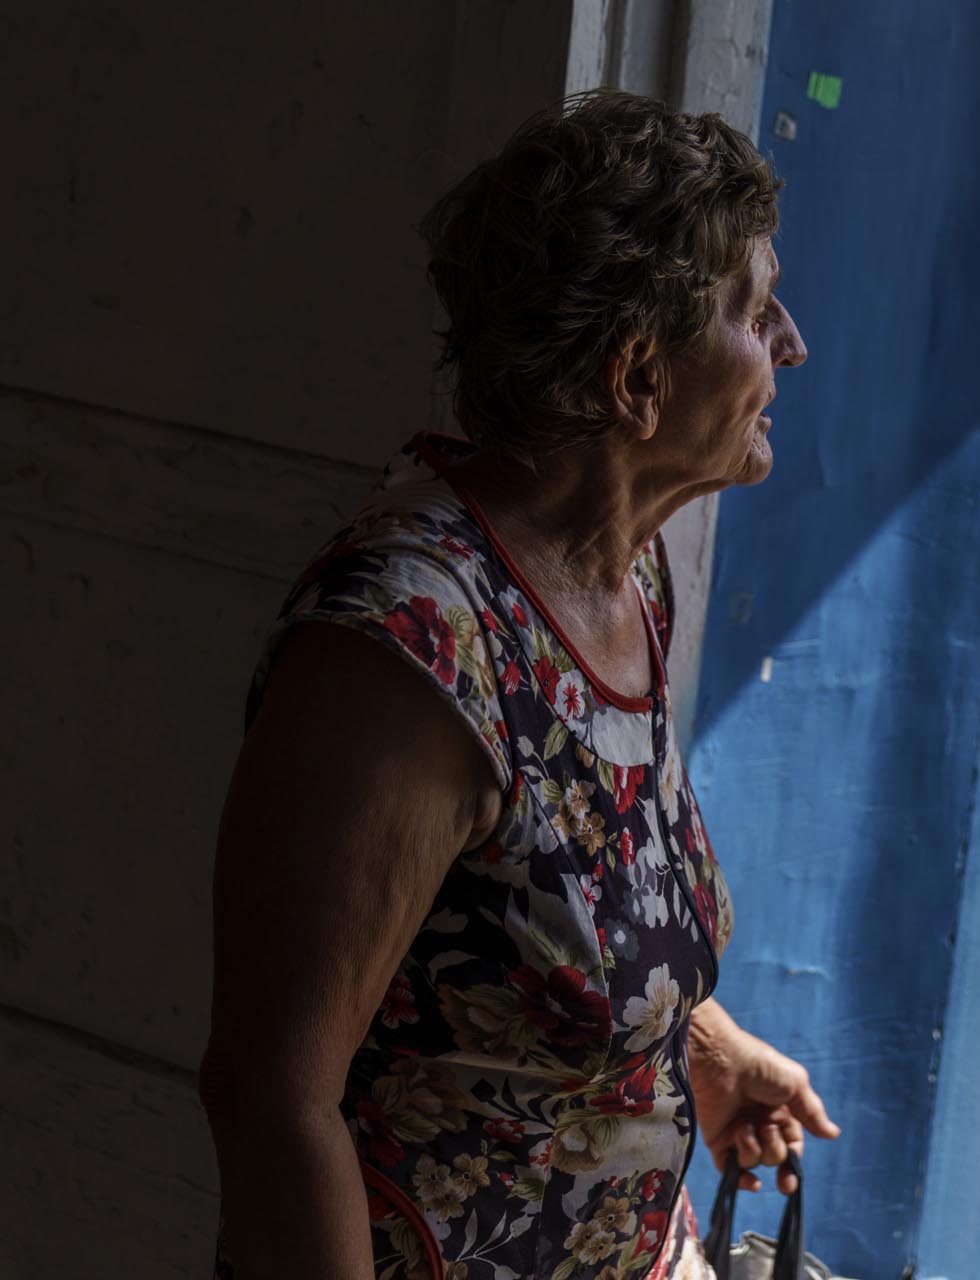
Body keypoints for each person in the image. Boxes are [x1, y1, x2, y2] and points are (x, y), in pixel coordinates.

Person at [198, 91, 836, 1280]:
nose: (792, 341)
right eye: (756, 310)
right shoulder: (405, 651)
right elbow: (271, 1100)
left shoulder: (625, 572)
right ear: (638, 378)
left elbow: (544, 904)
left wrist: (692, 1039)